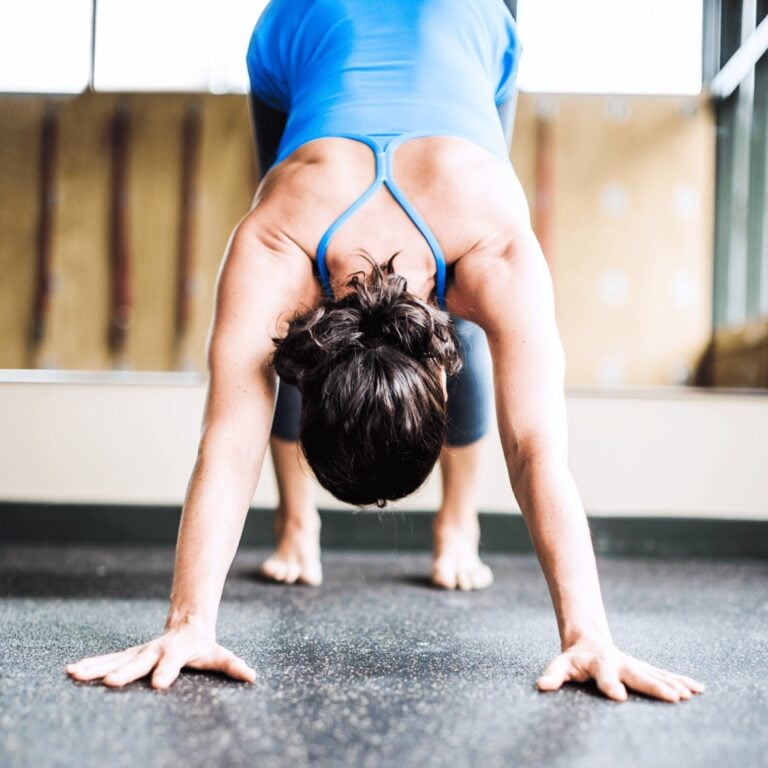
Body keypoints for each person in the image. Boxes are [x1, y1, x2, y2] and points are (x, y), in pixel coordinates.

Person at [65, 0, 705, 703]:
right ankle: (298, 524)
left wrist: (591, 634)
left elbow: (533, 451)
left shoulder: (305, 240)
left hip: (449, 23)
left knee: (428, 294)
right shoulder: (297, 235)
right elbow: (535, 450)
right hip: (326, 25)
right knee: (282, 312)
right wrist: (187, 624)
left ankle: (452, 526)